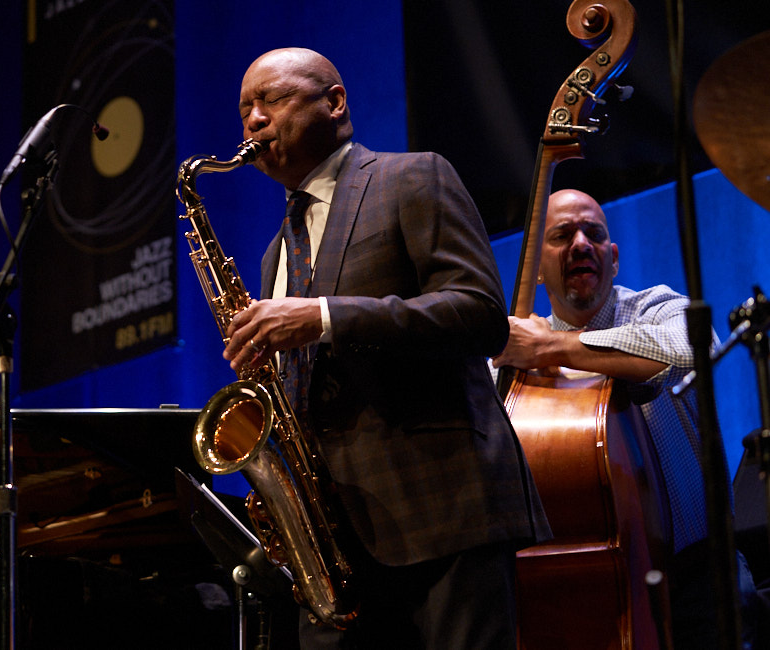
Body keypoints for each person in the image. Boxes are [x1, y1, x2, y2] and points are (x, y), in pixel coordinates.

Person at [221, 47, 549, 649]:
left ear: (335, 101)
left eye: (271, 99)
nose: (255, 121)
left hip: (441, 512)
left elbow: (480, 315)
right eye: (245, 109)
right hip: (333, 544)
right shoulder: (274, 252)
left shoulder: (413, 176)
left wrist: (322, 316)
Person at [490, 188, 765, 650]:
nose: (581, 244)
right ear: (535, 269)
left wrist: (552, 348)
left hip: (703, 574)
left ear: (613, 258)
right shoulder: (515, 363)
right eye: (561, 235)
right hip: (594, 589)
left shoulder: (656, 308)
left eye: (593, 233)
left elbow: (693, 350)